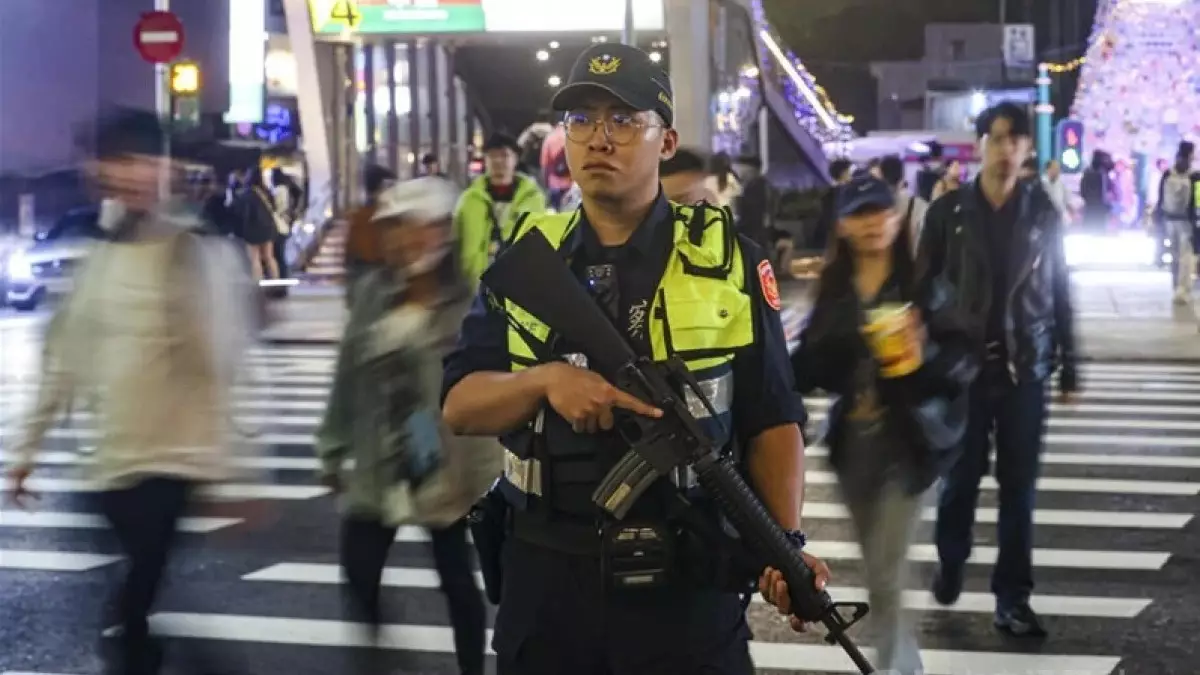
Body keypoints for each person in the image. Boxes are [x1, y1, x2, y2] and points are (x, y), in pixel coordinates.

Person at [441, 42, 831, 674]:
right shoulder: (526, 259)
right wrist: (546, 382)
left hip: (687, 587)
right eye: (581, 121)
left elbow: (772, 418)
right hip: (548, 583)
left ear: (666, 141)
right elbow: (460, 405)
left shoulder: (729, 260)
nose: (600, 139)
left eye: (624, 120)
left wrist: (782, 547)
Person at [3, 108, 257, 675]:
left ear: (162, 168)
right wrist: (26, 451)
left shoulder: (193, 251)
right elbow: (61, 362)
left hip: (171, 461)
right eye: (117, 163)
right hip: (108, 464)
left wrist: (233, 470)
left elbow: (218, 362)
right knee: (137, 598)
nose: (129, 175)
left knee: (138, 592)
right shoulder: (96, 257)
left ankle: (158, 656)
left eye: (140, 162)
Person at [792, 174, 977, 675]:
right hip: (855, 447)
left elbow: (964, 357)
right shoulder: (835, 292)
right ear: (843, 225)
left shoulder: (922, 285)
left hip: (909, 444)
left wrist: (923, 358)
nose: (873, 223)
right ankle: (907, 666)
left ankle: (895, 670)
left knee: (886, 575)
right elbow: (809, 368)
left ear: (897, 219)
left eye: (881, 212)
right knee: (878, 568)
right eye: (860, 214)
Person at [316, 176, 494, 675]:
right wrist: (331, 449)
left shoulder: (467, 303)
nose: (405, 242)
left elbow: (484, 390)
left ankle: (471, 669)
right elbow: (347, 374)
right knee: (358, 572)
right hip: (379, 461)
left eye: (416, 230)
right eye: (396, 232)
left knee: (456, 579)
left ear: (442, 234)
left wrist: (487, 481)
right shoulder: (373, 293)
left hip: (444, 464)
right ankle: (380, 662)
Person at [920, 102, 1079, 638]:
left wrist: (1070, 364)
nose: (1008, 149)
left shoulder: (1042, 213)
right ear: (982, 144)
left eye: (1017, 140)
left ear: (1028, 149)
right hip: (963, 374)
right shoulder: (948, 214)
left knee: (1019, 489)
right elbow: (920, 291)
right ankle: (951, 559)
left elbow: (1059, 290)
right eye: (998, 138)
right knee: (960, 482)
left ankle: (1013, 598)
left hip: (1024, 372)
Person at [453, 131, 547, 288]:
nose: (498, 161)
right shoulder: (469, 201)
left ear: (515, 159)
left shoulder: (533, 200)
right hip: (476, 291)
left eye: (504, 155)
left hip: (520, 291)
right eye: (492, 155)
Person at [1153, 141, 1199, 303]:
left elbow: (1160, 198)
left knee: (1174, 255)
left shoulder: (1167, 173)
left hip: (1169, 219)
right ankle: (1183, 289)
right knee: (1186, 256)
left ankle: (1175, 287)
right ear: (1191, 153)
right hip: (1186, 222)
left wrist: (1158, 217)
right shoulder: (1195, 175)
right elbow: (1198, 201)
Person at [344, 164, 397, 301]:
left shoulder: (359, 216)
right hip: (379, 277)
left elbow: (349, 253)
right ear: (381, 187)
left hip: (364, 276)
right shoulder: (383, 216)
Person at [879, 154, 928, 249]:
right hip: (911, 261)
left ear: (880, 176)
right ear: (902, 177)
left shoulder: (871, 206)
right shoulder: (919, 205)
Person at [1041, 159, 1071, 224]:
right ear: (1047, 170)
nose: (1057, 171)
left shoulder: (1061, 183)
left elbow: (1067, 200)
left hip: (1061, 218)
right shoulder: (1042, 183)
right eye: (1054, 168)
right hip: (1046, 219)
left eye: (1058, 168)